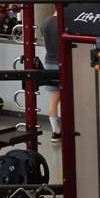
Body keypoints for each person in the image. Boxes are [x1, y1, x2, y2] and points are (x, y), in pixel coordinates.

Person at [40, 13, 61, 141]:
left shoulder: (45, 22)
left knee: (53, 100)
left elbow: (44, 43)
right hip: (63, 61)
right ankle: (68, 129)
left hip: (49, 62)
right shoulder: (65, 21)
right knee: (68, 98)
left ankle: (55, 132)